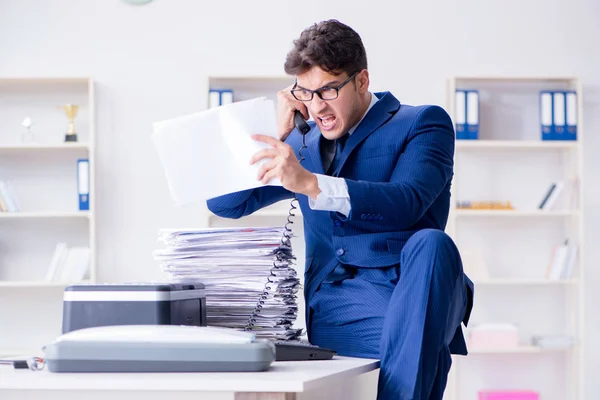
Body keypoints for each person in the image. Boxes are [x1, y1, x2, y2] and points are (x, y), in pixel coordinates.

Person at [206, 19, 474, 400]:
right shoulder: (300, 143)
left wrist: (311, 184)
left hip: (416, 285)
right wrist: (274, 132)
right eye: (306, 93)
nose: (317, 107)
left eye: (328, 90)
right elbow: (224, 204)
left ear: (362, 81)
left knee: (432, 245)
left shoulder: (422, 123)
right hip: (339, 302)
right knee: (422, 345)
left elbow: (408, 201)